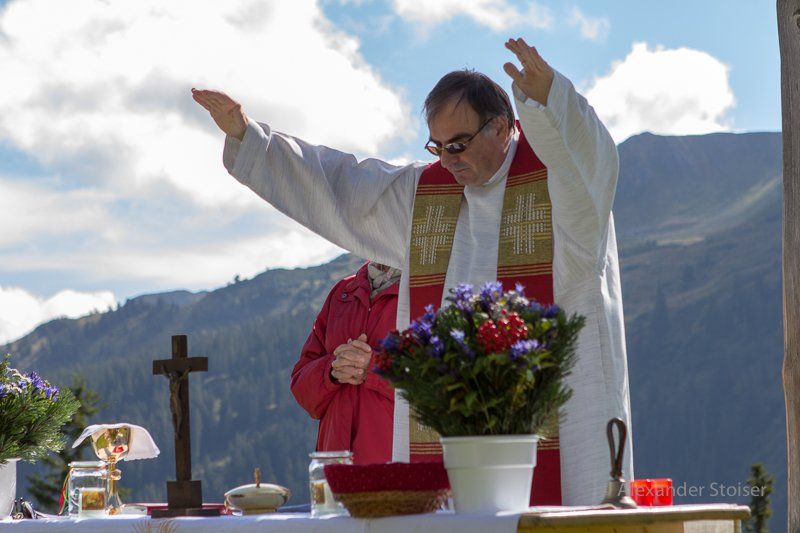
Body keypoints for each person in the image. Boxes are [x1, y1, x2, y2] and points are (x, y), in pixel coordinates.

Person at [192, 37, 633, 505]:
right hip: (451, 431)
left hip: (561, 425)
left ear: (502, 128)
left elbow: (592, 162)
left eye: (459, 144)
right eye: (437, 146)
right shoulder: (428, 194)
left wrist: (552, 101)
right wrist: (251, 138)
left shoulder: (560, 186)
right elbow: (341, 183)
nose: (448, 159)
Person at [290, 261, 400, 465]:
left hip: (396, 469)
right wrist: (332, 370)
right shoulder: (342, 291)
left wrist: (374, 367)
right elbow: (301, 390)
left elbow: (440, 388)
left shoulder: (431, 291)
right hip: (334, 466)